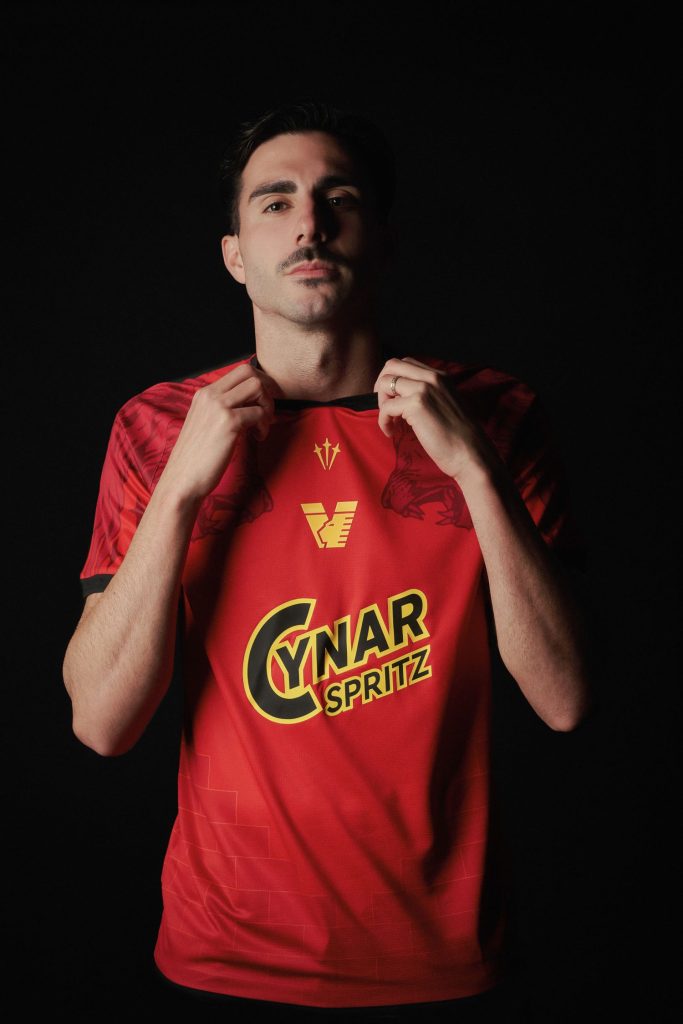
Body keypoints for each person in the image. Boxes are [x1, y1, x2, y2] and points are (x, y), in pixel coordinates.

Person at [63, 101, 591, 1020]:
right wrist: (182, 489)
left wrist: (472, 470)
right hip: (226, 956)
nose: (308, 222)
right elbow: (101, 723)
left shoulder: (493, 415)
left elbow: (566, 699)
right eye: (274, 202)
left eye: (337, 198)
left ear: (382, 240)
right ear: (235, 254)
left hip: (444, 961)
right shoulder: (158, 428)